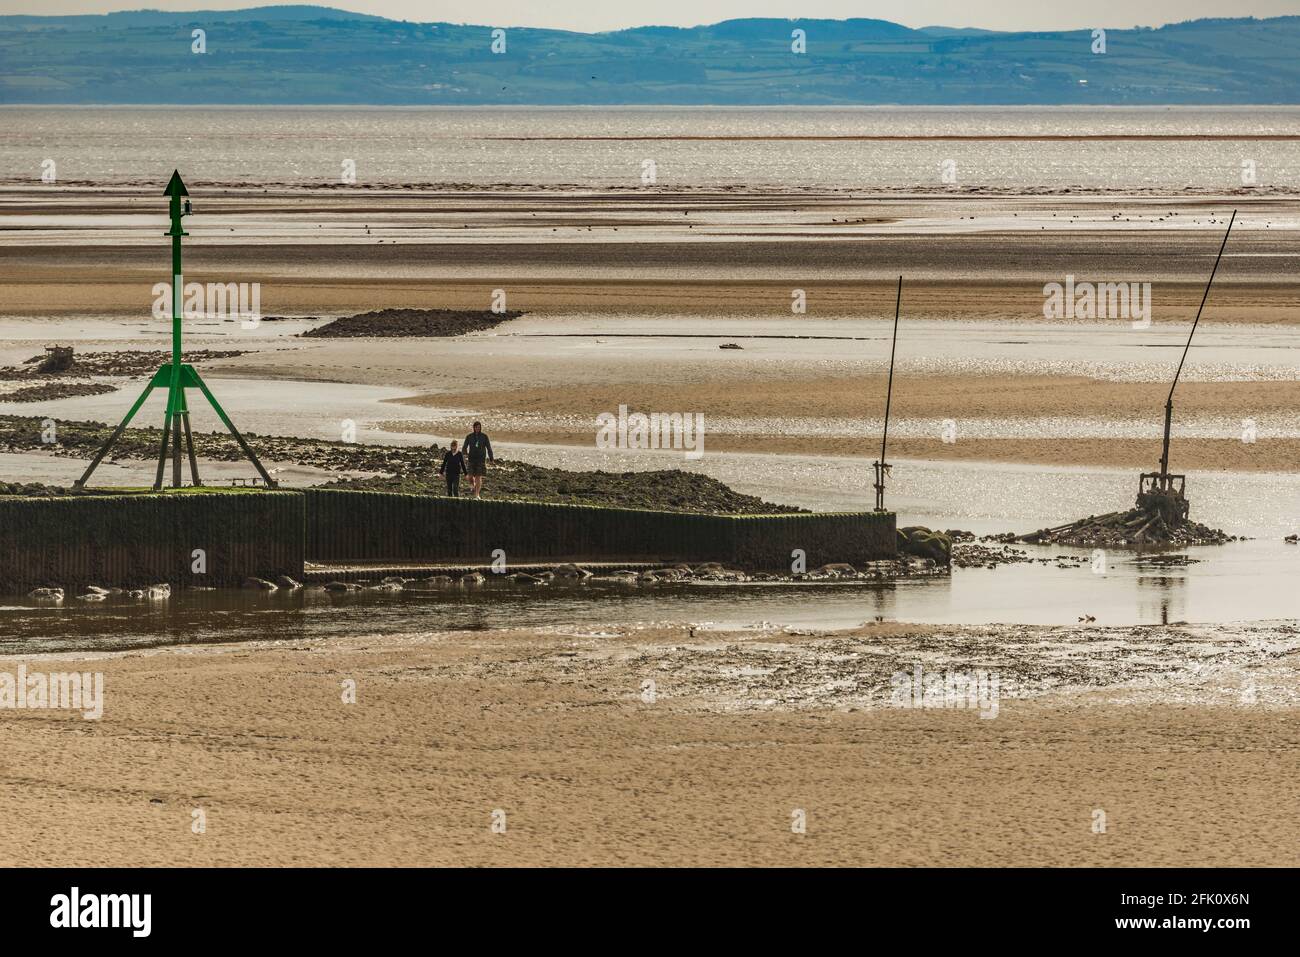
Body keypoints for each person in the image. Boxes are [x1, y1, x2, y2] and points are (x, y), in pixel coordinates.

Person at [462, 421, 493, 498]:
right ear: (474, 428)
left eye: (479, 427)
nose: (477, 429)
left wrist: (491, 458)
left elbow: (489, 448)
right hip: (471, 459)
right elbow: (464, 447)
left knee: (478, 477)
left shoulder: (484, 436)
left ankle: (477, 494)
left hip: (481, 460)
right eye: (476, 427)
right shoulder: (469, 436)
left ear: (480, 428)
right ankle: (472, 484)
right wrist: (465, 455)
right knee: (470, 476)